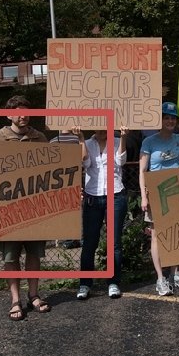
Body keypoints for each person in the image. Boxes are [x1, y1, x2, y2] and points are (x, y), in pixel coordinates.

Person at [0, 95, 51, 320]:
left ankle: (33, 295)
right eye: (17, 112)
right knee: (10, 256)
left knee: (34, 254)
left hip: (35, 208)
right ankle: (15, 300)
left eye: (26, 111)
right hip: (8, 209)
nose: (22, 115)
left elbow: (53, 171)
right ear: (8, 114)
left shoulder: (40, 138)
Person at [139, 102, 179, 295]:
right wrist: (144, 197)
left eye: (173, 117)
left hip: (177, 193)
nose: (170, 121)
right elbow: (142, 171)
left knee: (177, 233)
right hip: (156, 193)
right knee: (157, 235)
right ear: (159, 119)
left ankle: (175, 273)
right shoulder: (149, 142)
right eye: (166, 117)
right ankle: (160, 278)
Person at [76, 126, 129, 300]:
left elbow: (121, 161)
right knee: (90, 241)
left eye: (105, 126)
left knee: (114, 243)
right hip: (93, 196)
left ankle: (113, 282)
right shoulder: (88, 142)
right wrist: (81, 139)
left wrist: (123, 137)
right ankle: (85, 283)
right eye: (98, 127)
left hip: (115, 195)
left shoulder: (116, 141)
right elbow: (85, 163)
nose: (101, 130)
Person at [51, 130, 84, 250]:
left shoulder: (77, 139)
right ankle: (70, 238)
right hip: (61, 180)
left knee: (76, 209)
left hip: (74, 178)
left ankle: (73, 238)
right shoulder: (54, 141)